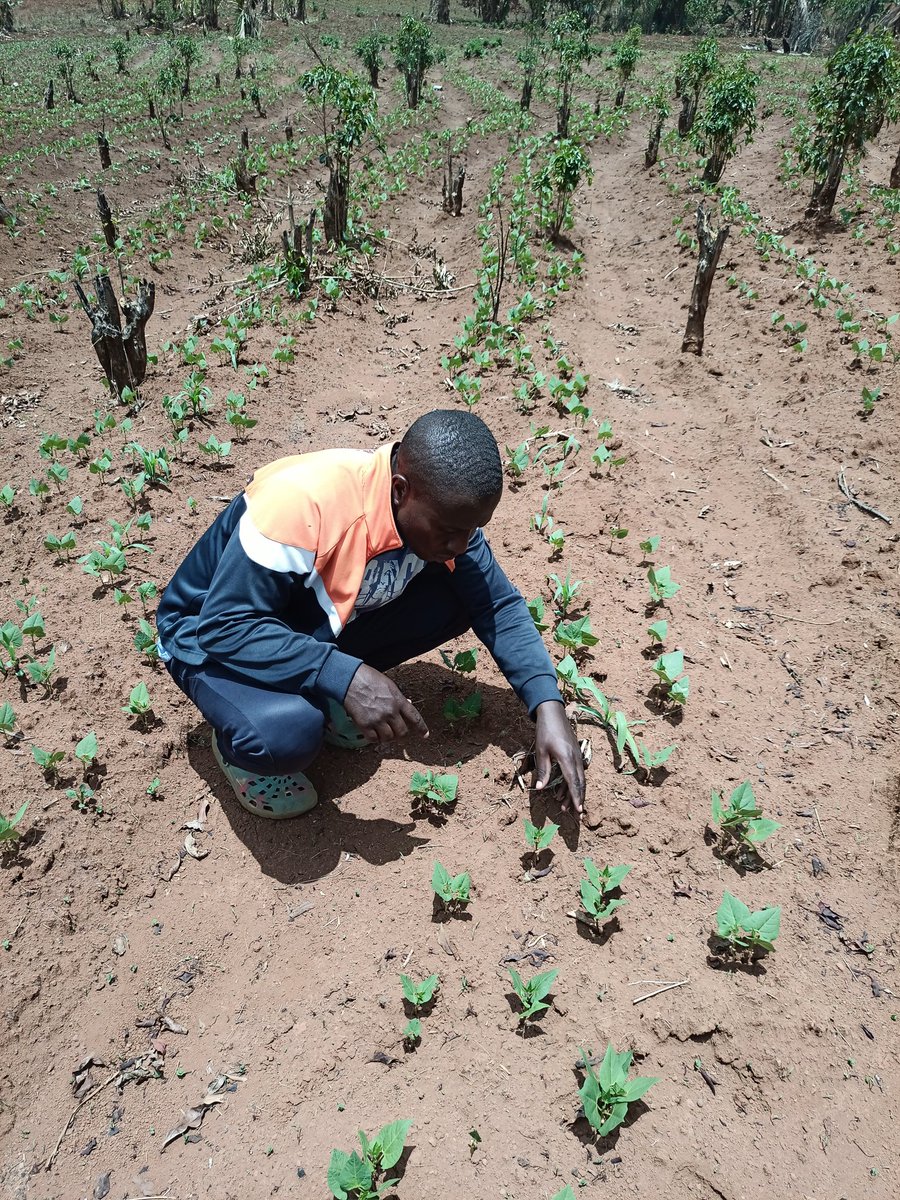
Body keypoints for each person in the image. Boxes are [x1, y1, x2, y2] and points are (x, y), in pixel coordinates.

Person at [157, 409, 586, 820]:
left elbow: (496, 604)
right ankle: (242, 748)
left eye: (472, 529)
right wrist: (345, 675)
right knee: (287, 735)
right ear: (400, 490)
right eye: (451, 530)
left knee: (459, 596)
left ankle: (318, 687)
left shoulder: (443, 509)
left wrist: (547, 705)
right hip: (208, 636)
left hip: (304, 621)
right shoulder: (301, 504)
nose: (462, 543)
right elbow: (224, 626)